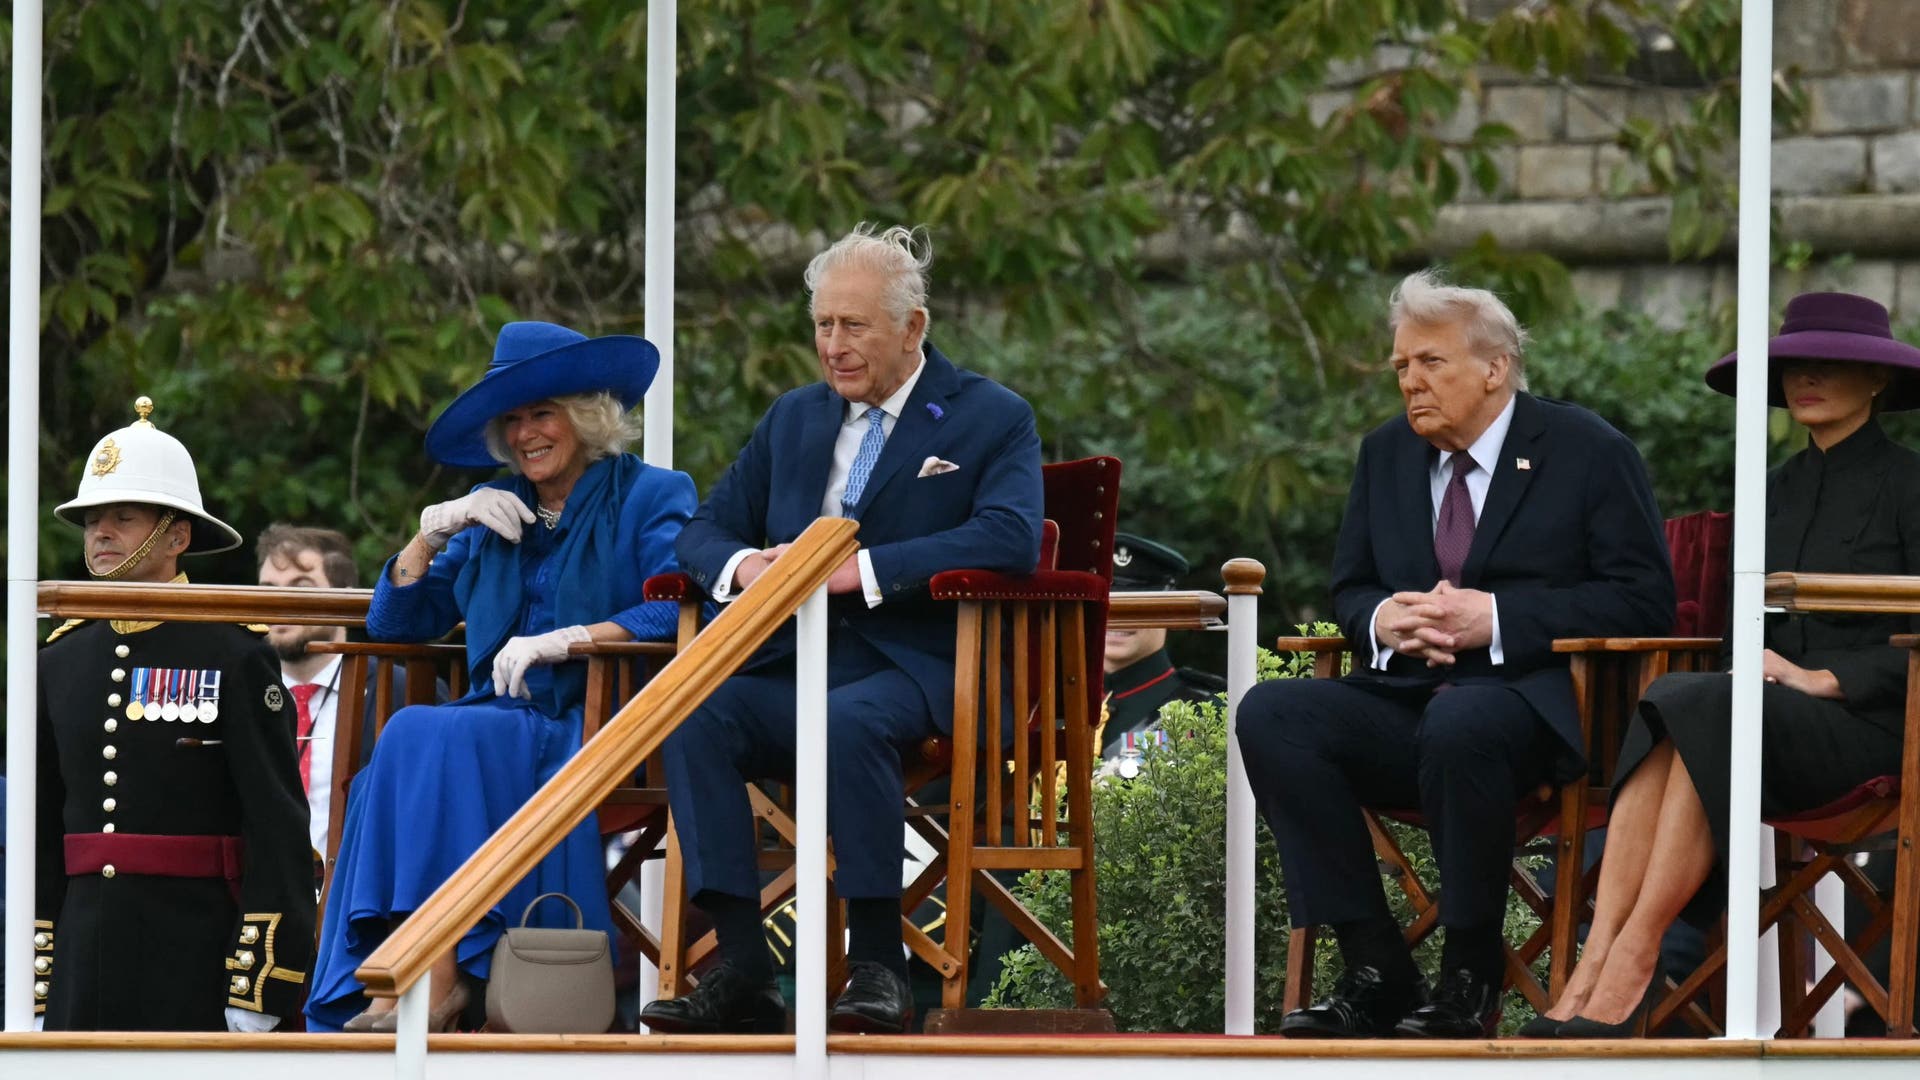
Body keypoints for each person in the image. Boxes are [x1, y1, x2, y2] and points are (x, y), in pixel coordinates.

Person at [1236, 270, 1675, 1039]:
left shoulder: (1587, 451)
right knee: (1274, 711)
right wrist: (1383, 620)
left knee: (1466, 721)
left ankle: (1470, 977)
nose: (1411, 382)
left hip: (1534, 711)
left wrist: (1497, 618)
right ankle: (1377, 968)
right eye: (1402, 366)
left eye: (1431, 362)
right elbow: (1352, 586)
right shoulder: (1385, 455)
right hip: (1407, 703)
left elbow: (1643, 601)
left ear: (1494, 368)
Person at [638, 224, 1044, 1036]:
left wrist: (864, 569)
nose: (833, 344)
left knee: (847, 721)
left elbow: (1010, 535)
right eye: (823, 325)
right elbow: (703, 529)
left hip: (920, 665)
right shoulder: (794, 419)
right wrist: (750, 568)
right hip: (797, 661)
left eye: (853, 325)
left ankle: (879, 965)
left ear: (912, 327)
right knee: (691, 712)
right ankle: (745, 969)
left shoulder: (989, 416)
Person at [1529, 292, 1920, 1038]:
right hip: (1762, 723)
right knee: (1683, 696)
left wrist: (1824, 678)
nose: (1805, 378)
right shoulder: (1769, 489)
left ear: (1878, 382)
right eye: (1794, 364)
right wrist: (1764, 673)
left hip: (1875, 730)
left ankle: (1639, 958)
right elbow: (1744, 633)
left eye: (1832, 364)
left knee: (1714, 706)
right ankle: (1601, 959)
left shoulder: (1911, 485)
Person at [306, 323, 696, 1033]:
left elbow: (676, 606)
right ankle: (427, 978)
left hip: (603, 723)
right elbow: (398, 625)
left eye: (540, 414)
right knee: (416, 738)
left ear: (584, 415)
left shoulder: (652, 494)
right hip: (497, 718)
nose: (524, 435)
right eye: (511, 420)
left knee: (428, 735)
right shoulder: (492, 510)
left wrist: (576, 638)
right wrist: (432, 533)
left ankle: (424, 979)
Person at [34, 397, 313, 1031]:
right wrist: (37, 972)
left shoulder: (232, 650)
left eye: (122, 517)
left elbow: (276, 829)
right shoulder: (61, 656)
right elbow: (41, 832)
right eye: (91, 520)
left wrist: (256, 985)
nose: (100, 533)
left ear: (178, 535)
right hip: (81, 959)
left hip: (195, 957)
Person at [255, 525, 444, 859]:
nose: (280, 603)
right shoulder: (241, 691)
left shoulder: (404, 690)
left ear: (343, 594)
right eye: (269, 589)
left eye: (301, 587)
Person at [1099, 532, 1225, 775]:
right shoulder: (1048, 707)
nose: (1116, 620)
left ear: (1169, 610)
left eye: (1135, 608)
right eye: (1107, 607)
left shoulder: (1204, 711)